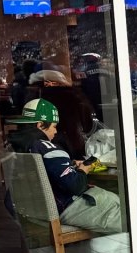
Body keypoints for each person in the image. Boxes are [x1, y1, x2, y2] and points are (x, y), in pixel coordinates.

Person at [7, 97, 126, 234]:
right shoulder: (49, 148)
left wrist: (68, 164)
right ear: (40, 125)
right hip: (67, 208)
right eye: (54, 126)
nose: (55, 131)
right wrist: (83, 170)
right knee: (136, 218)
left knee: (117, 202)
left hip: (34, 212)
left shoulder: (13, 147)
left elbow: (45, 172)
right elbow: (76, 185)